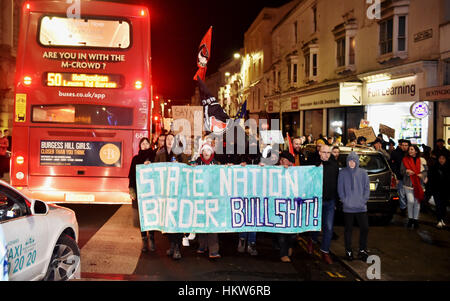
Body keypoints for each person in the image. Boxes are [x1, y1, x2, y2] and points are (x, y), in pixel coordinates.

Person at [154, 133, 189, 260]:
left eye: (171, 139)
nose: (169, 141)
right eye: (167, 139)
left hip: (178, 193)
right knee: (167, 220)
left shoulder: (180, 154)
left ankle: (177, 248)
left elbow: (187, 169)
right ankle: (172, 245)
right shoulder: (159, 154)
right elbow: (154, 170)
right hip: (165, 193)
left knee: (177, 221)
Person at [306, 144, 340, 265]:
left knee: (329, 227)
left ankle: (325, 251)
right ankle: (312, 241)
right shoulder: (313, 164)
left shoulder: (334, 165)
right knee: (315, 225)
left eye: (328, 153)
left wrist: (336, 200)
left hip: (330, 201)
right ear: (319, 152)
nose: (326, 155)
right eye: (324, 152)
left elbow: (337, 183)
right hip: (316, 200)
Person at [338, 151, 370, 262]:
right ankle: (348, 251)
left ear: (357, 162)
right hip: (348, 208)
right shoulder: (342, 173)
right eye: (350, 161)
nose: (352, 163)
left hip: (361, 207)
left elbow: (367, 189)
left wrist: (364, 200)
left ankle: (362, 250)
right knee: (348, 230)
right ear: (347, 162)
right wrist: (345, 200)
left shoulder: (363, 173)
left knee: (365, 228)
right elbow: (340, 189)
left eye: (354, 161)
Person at [128, 137, 155, 252]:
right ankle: (144, 241)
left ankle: (152, 239)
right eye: (142, 143)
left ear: (149, 145)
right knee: (142, 217)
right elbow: (131, 176)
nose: (144, 145)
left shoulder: (154, 156)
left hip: (152, 192)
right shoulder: (136, 158)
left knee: (152, 216)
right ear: (140, 146)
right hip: (140, 193)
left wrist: (151, 165)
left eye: (146, 143)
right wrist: (131, 190)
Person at [194, 143, 221, 258]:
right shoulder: (196, 163)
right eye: (204, 150)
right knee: (201, 222)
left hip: (212, 198)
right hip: (200, 197)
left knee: (212, 224)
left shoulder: (216, 164)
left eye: (208, 151)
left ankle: (213, 249)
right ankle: (202, 245)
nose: (206, 153)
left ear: (211, 152)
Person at [276, 151, 297, 263]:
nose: (281, 162)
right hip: (279, 205)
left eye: (284, 160)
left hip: (292, 205)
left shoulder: (295, 172)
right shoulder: (274, 171)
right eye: (282, 160)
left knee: (292, 233)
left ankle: (289, 246)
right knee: (282, 232)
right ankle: (283, 253)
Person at [400, 145, 426, 229]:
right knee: (410, 201)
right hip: (408, 184)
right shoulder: (405, 160)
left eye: (412, 149)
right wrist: (407, 171)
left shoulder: (422, 160)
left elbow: (426, 171)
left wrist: (422, 175)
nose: (410, 151)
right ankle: (410, 218)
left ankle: (415, 220)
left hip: (419, 184)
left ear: (416, 151)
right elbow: (402, 171)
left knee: (417, 202)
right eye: (409, 149)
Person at [428, 154, 449, 228]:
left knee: (444, 206)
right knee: (438, 205)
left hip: (446, 191)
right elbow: (430, 180)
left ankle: (442, 219)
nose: (441, 160)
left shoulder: (448, 167)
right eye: (440, 158)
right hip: (436, 190)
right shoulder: (434, 168)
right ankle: (439, 220)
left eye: (443, 158)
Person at [390, 139, 411, 215]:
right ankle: (403, 208)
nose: (405, 147)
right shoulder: (395, 153)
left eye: (406, 145)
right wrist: (396, 177)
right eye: (403, 145)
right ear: (400, 145)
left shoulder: (410, 153)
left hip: (409, 178)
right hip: (400, 177)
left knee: (409, 194)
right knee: (401, 194)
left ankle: (407, 208)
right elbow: (393, 166)